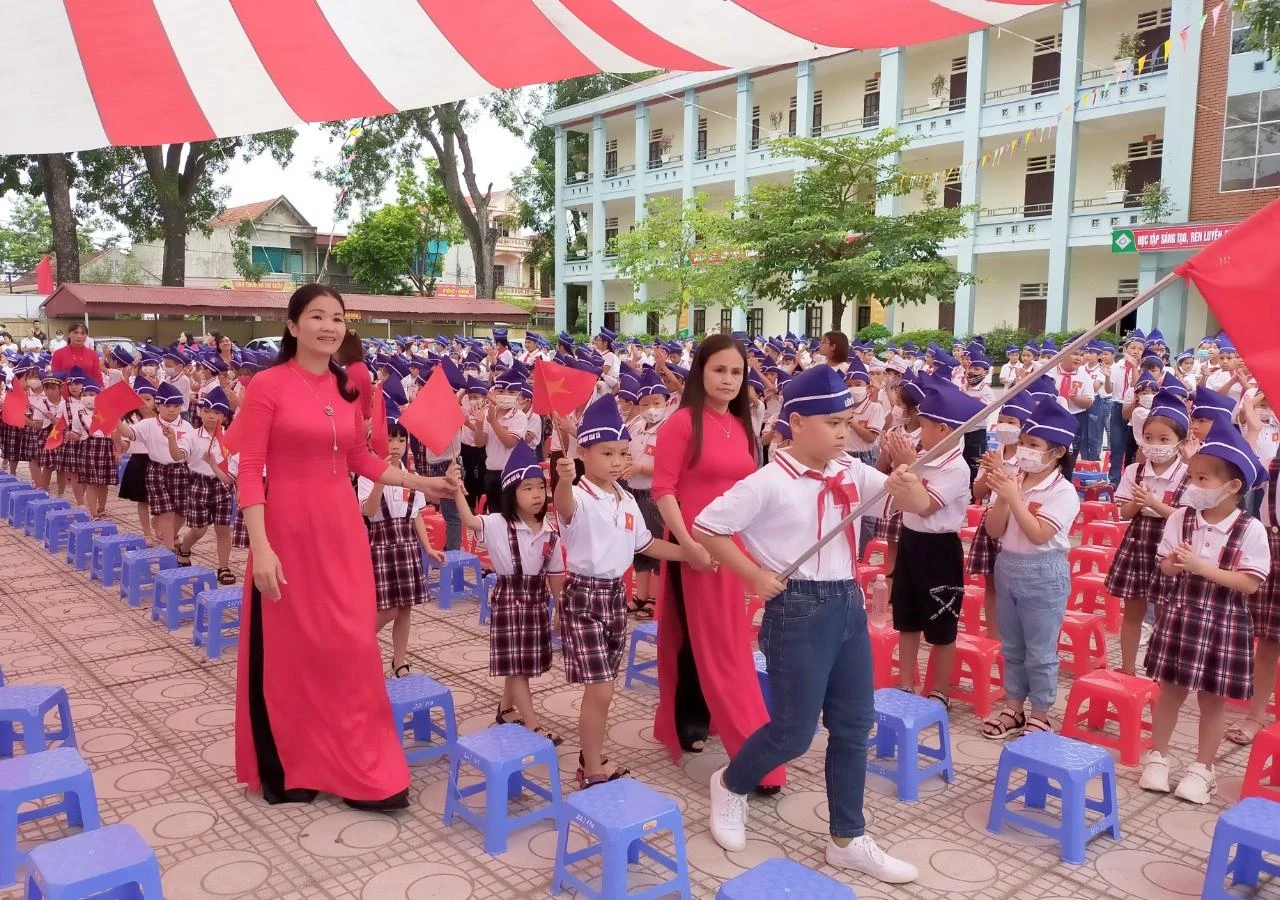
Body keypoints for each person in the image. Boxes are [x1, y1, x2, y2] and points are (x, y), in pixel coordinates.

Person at [232, 284, 458, 809]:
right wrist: (260, 548)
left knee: (352, 647)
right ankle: (298, 766)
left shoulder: (348, 389)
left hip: (342, 531)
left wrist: (425, 485)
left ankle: (361, 763)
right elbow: (248, 470)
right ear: (292, 326)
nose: (329, 326)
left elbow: (363, 459)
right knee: (295, 654)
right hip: (287, 530)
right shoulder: (267, 386)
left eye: (337, 318)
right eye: (317, 316)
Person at [695, 365, 917, 883]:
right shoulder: (766, 483)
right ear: (796, 422)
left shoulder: (853, 471)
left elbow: (917, 503)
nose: (843, 433)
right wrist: (754, 573)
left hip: (848, 605)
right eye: (833, 423)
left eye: (847, 422)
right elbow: (708, 527)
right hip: (796, 610)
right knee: (793, 733)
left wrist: (906, 481)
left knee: (854, 725)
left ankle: (848, 837)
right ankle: (730, 785)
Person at [651, 334, 782, 792]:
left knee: (727, 641)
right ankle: (724, 736)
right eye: (719, 370)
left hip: (731, 548)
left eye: (735, 372)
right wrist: (688, 544)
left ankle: (713, 721)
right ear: (700, 373)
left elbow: (752, 496)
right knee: (703, 641)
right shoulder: (682, 424)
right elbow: (663, 490)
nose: (728, 380)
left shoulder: (743, 428)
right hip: (694, 545)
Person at [553, 394, 685, 788]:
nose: (615, 461)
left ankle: (589, 753)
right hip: (582, 598)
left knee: (604, 686)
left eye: (622, 453)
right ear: (583, 452)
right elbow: (563, 505)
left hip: (615, 596)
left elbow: (645, 546)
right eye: (606, 453)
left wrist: (692, 553)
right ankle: (591, 770)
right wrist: (562, 479)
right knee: (602, 689)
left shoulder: (626, 499)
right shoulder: (578, 494)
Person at [1140, 417, 1270, 803]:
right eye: (1192, 477)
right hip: (1180, 614)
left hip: (1224, 622)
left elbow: (1250, 583)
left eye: (1203, 480)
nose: (1192, 486)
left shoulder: (1250, 529)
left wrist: (1203, 568)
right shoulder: (1181, 517)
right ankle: (1159, 757)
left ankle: (1203, 768)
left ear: (1232, 487)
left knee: (1213, 699)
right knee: (1170, 691)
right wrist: (1175, 565)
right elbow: (1163, 564)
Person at [980, 398, 1080, 738]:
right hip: (1007, 565)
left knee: (1040, 650)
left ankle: (1040, 712)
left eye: (1033, 445)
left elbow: (1039, 534)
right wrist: (1007, 496)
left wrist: (1013, 498)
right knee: (1012, 646)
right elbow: (994, 531)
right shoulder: (1012, 480)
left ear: (1057, 453)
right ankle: (1013, 707)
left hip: (1043, 573)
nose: (1024, 450)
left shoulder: (1063, 492)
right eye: (1023, 442)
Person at [884, 380, 985, 708]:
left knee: (942, 622)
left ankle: (940, 690)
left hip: (939, 550)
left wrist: (904, 464)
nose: (917, 431)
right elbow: (895, 494)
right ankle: (906, 683)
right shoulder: (924, 456)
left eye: (923, 426)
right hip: (911, 543)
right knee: (907, 616)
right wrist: (904, 464)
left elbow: (923, 504)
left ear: (943, 430)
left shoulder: (956, 467)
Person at [456, 442, 564, 744]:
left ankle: (506, 709)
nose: (536, 495)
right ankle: (532, 725)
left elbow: (555, 574)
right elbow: (468, 521)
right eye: (527, 488)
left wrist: (560, 607)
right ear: (511, 493)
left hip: (536, 602)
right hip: (509, 601)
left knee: (521, 663)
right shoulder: (497, 524)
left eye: (540, 488)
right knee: (518, 667)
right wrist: (456, 490)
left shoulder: (549, 530)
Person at [1107, 390, 1190, 675]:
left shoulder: (1188, 474)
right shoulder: (1134, 471)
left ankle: (1160, 672)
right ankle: (1128, 669)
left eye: (1164, 439)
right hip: (1138, 539)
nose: (1155, 445)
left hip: (1171, 544)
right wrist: (1137, 503)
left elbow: (1186, 518)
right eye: (1150, 438)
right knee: (1133, 608)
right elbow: (1124, 513)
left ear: (1180, 442)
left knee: (1167, 611)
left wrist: (1154, 504)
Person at [358, 421, 441, 678]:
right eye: (390, 440)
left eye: (401, 441)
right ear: (376, 443)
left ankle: (399, 660)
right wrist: (382, 476)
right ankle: (353, 645)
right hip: (381, 547)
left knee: (405, 608)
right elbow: (368, 511)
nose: (396, 446)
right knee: (387, 608)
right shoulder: (365, 475)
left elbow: (415, 514)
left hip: (406, 546)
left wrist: (427, 548)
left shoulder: (410, 476)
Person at [170, 387, 237, 584]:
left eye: (216, 413)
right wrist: (172, 440)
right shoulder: (192, 435)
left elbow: (233, 467)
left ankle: (223, 567)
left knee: (223, 528)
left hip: (222, 485)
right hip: (198, 484)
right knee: (199, 529)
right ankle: (184, 548)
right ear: (200, 412)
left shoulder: (230, 437)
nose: (210, 416)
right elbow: (177, 456)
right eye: (207, 411)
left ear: (224, 417)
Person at [116, 382, 192, 552]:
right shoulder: (149, 424)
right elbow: (130, 433)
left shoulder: (187, 427)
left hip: (180, 470)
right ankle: (169, 547)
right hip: (156, 470)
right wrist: (115, 419)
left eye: (176, 406)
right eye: (167, 405)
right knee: (166, 511)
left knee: (182, 511)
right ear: (158, 406)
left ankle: (170, 535)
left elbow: (184, 454)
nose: (172, 410)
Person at [624, 370, 670, 617]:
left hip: (655, 495)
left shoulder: (669, 428)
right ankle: (640, 596)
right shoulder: (636, 425)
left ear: (666, 403)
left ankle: (655, 598)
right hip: (634, 492)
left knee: (656, 546)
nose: (651, 408)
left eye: (656, 403)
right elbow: (625, 449)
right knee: (638, 547)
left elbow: (672, 464)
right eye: (645, 404)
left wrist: (641, 467)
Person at [69, 379, 116, 518]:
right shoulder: (79, 414)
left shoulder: (107, 411)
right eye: (85, 394)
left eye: (92, 394)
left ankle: (102, 509)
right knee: (91, 483)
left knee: (103, 483)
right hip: (88, 448)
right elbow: (77, 434)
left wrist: (117, 450)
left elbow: (115, 433)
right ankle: (93, 512)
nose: (88, 397)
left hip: (106, 448)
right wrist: (71, 435)